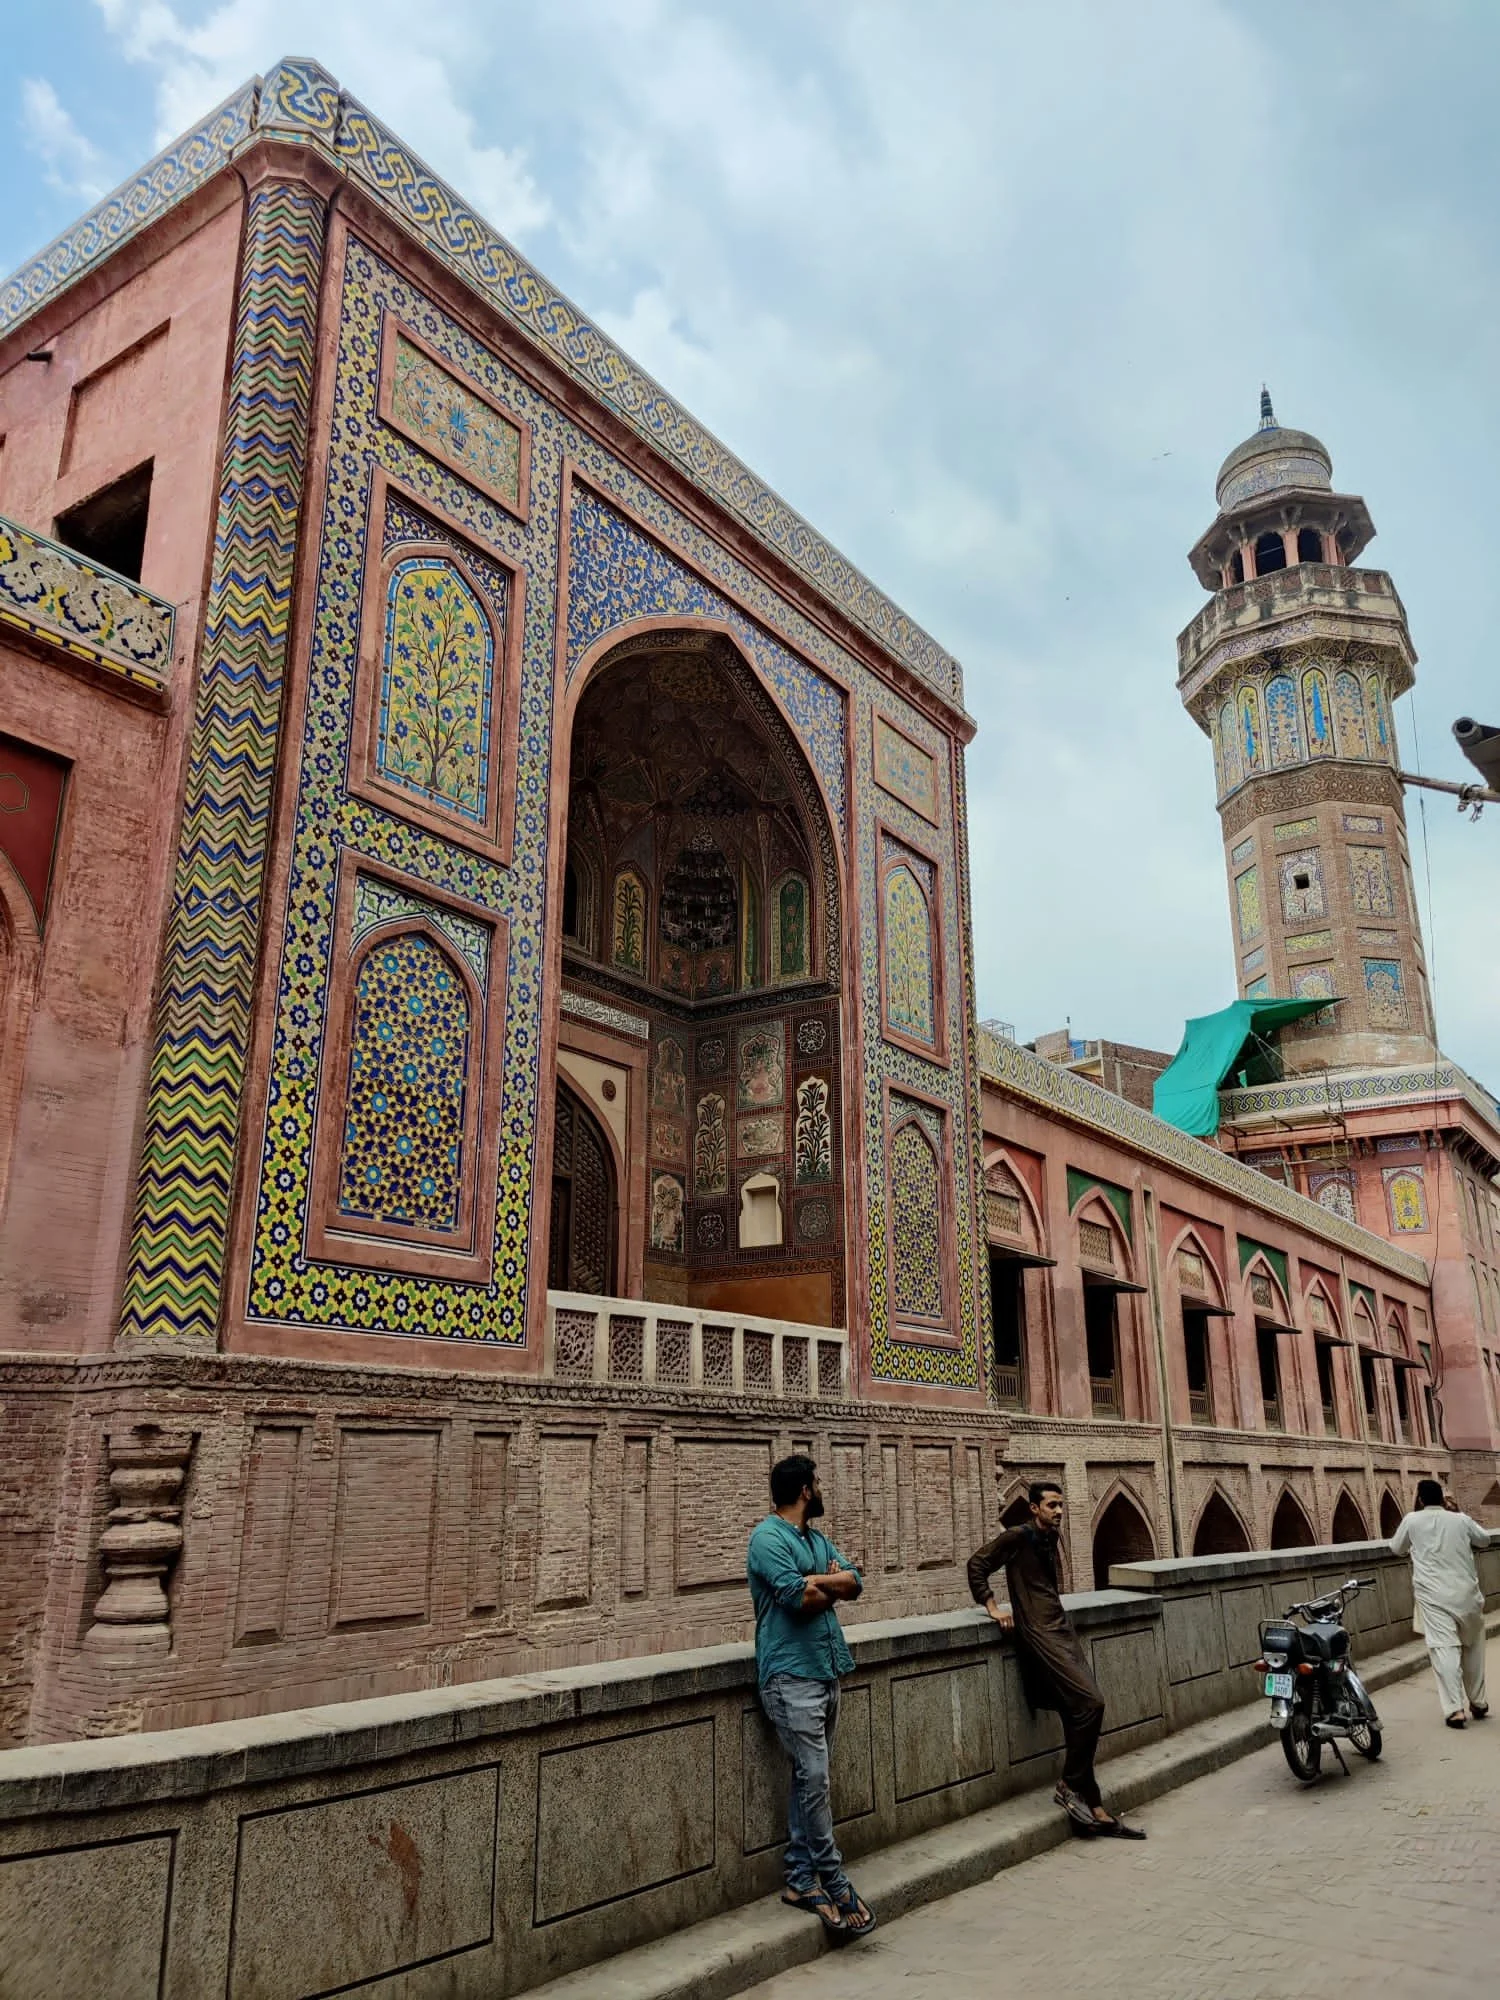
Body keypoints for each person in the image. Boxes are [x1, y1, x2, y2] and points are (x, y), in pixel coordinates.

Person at [967, 1479, 1144, 1838]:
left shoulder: (1050, 1537)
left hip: (1060, 1627)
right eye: (1052, 1505)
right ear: (1034, 1508)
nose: (1059, 1511)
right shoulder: (1017, 1536)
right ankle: (1068, 1786)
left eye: (1061, 1505)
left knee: (1077, 1711)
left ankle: (1094, 1806)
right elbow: (977, 1564)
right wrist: (992, 1607)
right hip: (1039, 1633)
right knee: (1091, 1703)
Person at [746, 1455, 876, 1937]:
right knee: (816, 1779)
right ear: (804, 1490)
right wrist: (827, 1583)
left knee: (809, 1779)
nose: (820, 1489)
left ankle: (801, 1879)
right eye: (816, 1483)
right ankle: (834, 1880)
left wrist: (821, 1580)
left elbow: (856, 1582)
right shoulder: (767, 1539)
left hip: (825, 1669)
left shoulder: (814, 1540)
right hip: (789, 1675)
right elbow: (795, 1599)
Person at [1390, 1478, 1490, 1728]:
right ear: (1442, 1499)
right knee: (1473, 1645)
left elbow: (1395, 1548)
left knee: (1445, 1648)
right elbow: (1484, 1540)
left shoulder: (1412, 1520)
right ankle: (1478, 1701)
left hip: (1433, 1596)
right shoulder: (1460, 1519)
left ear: (1421, 1499)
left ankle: (1455, 1709)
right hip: (1466, 1592)